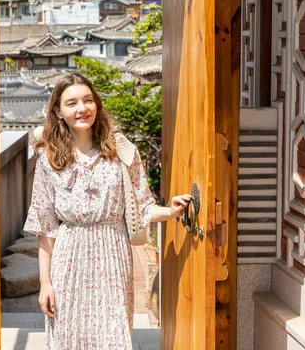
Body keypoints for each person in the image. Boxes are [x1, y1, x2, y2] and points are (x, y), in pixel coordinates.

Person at [23, 73, 192, 349]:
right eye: (72, 103)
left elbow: (143, 206)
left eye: (88, 100)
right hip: (69, 260)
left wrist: (171, 212)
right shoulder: (48, 159)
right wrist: (46, 283)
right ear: (58, 111)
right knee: (69, 337)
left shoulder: (121, 150)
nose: (82, 109)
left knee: (113, 336)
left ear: (97, 105)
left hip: (112, 256)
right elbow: (45, 228)